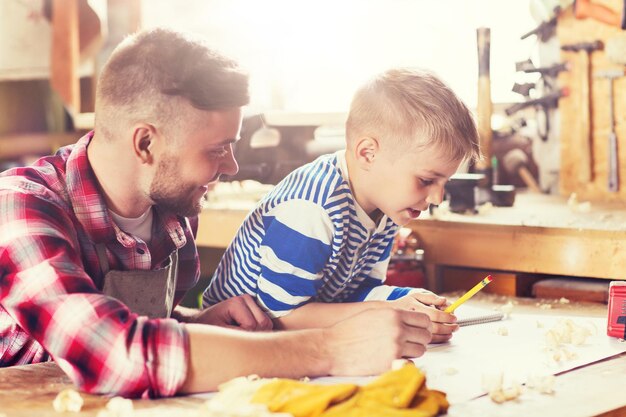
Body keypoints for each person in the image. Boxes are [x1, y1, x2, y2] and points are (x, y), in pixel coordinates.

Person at [0, 28, 435, 398]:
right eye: (216, 149)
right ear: (146, 144)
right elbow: (112, 353)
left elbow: (127, 318)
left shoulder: (174, 208)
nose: (231, 166)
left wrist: (195, 321)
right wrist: (331, 348)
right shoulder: (20, 208)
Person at [203, 68, 481, 340]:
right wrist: (386, 312)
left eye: (445, 182)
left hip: (296, 334)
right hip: (236, 338)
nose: (436, 198)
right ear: (368, 154)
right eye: (426, 180)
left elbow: (354, 297)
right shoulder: (312, 208)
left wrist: (410, 304)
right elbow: (281, 317)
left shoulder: (386, 207)